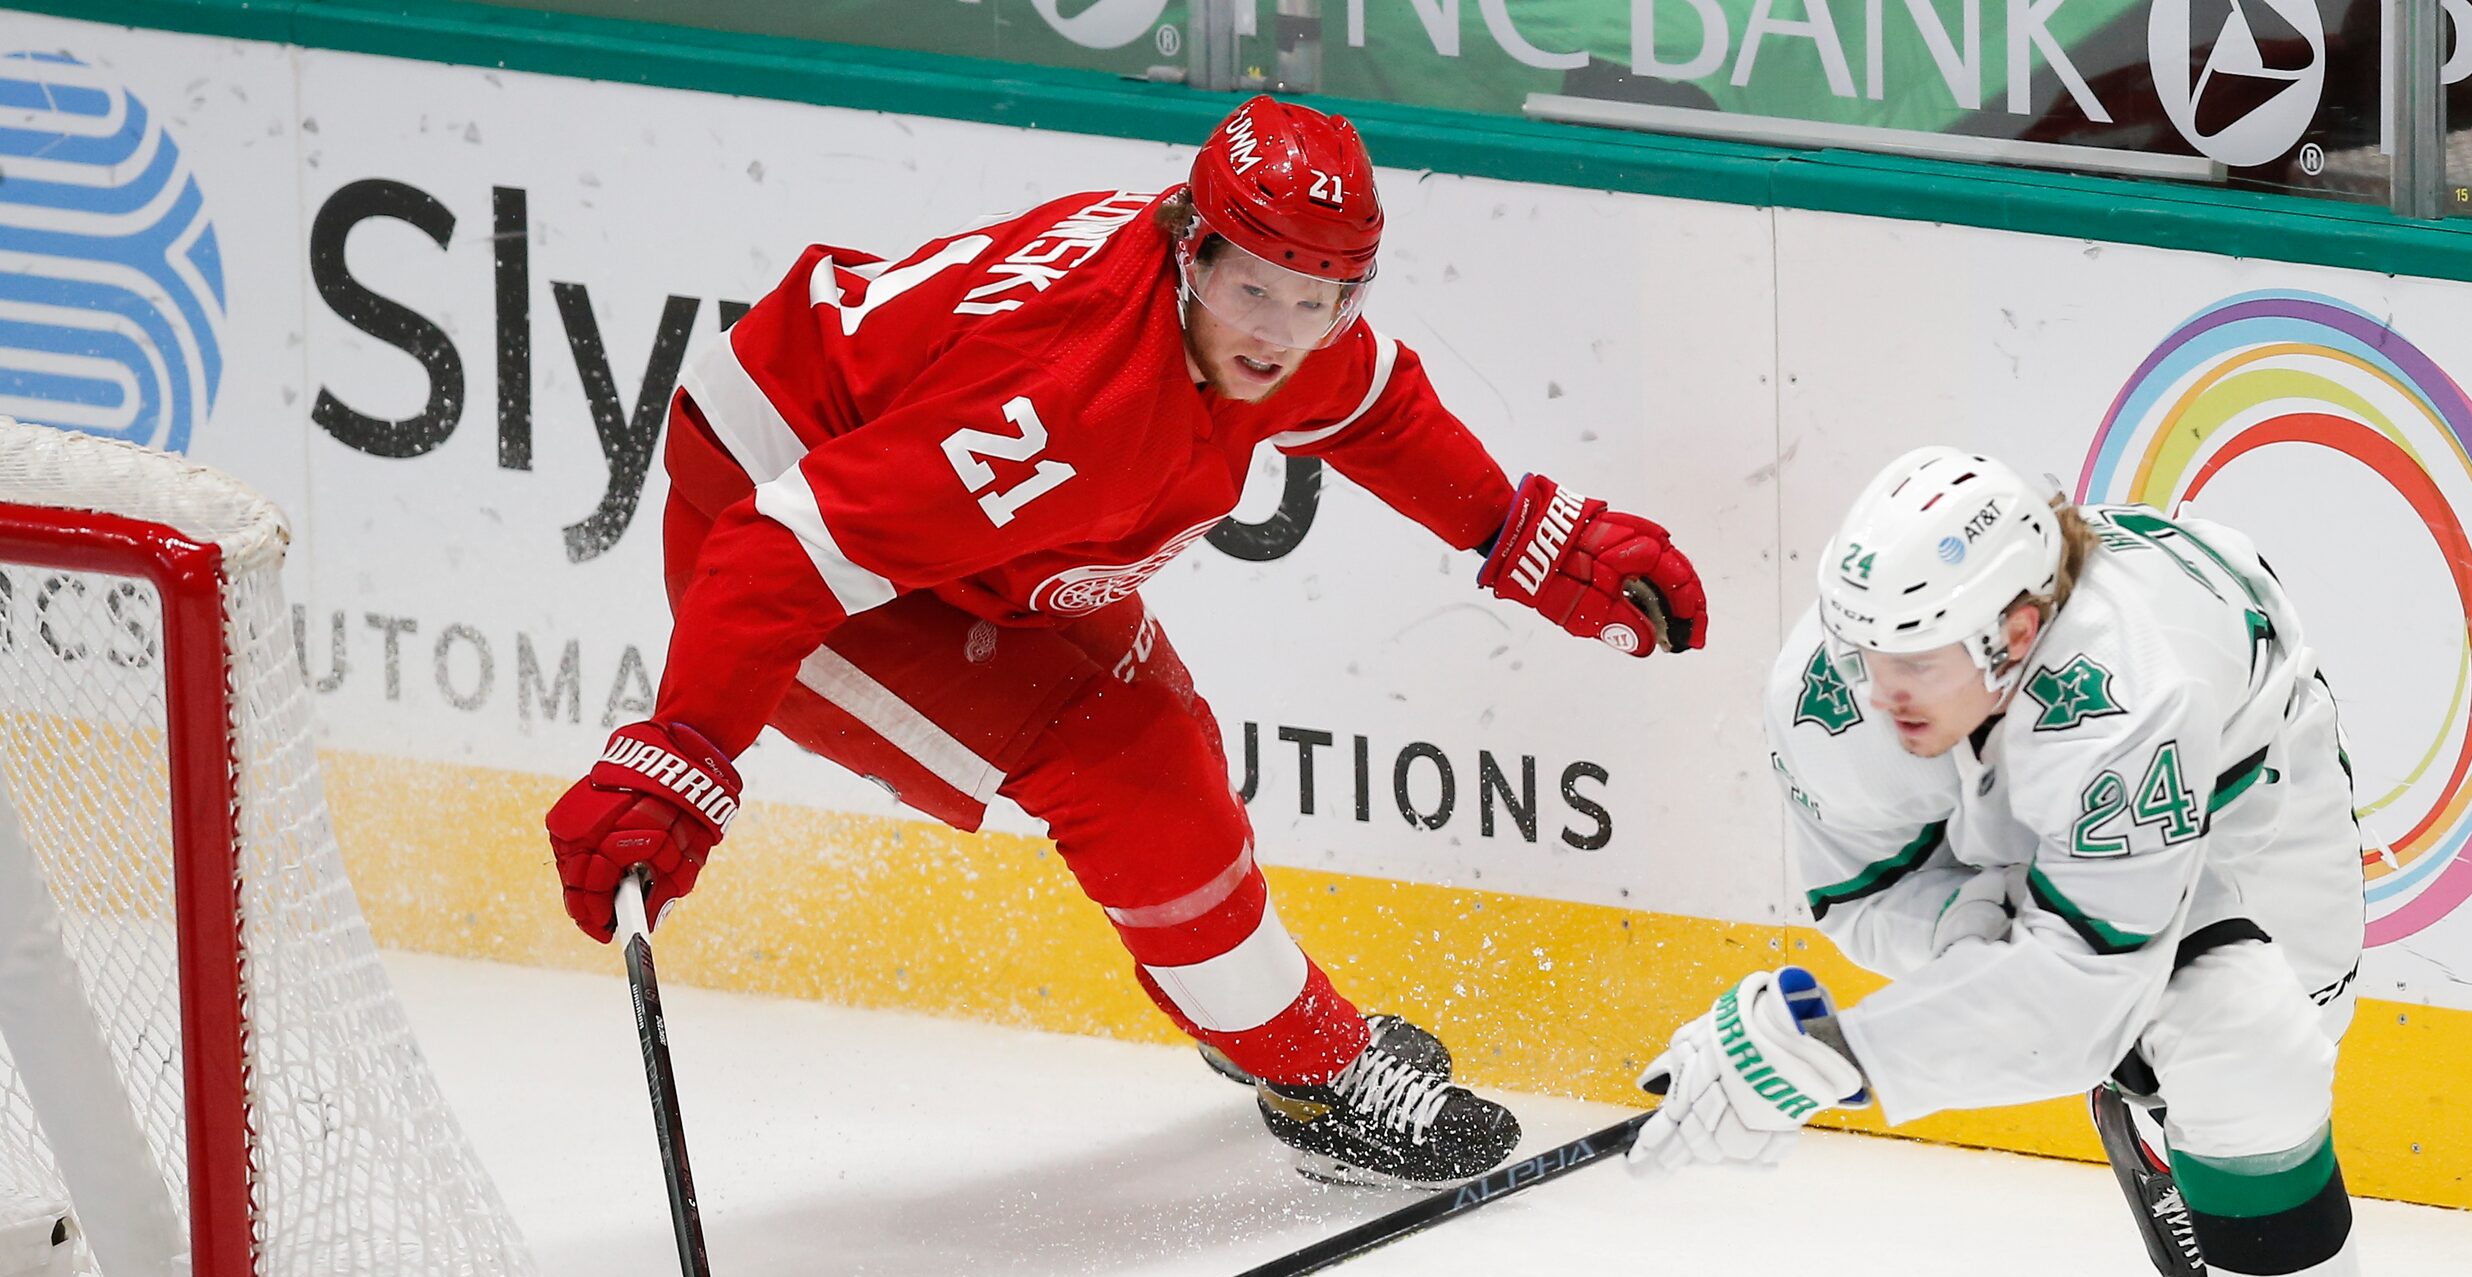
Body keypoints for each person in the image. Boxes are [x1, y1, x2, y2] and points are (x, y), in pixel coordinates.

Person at [543, 98, 1706, 1187]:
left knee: (1160, 729)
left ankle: (1253, 1020)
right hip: (775, 519)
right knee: (1123, 762)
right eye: (1255, 293)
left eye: (1321, 302)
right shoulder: (1065, 402)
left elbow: (1376, 408)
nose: (1281, 335)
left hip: (936, 504)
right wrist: (683, 751)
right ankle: (1310, 1076)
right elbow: (776, 553)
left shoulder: (1269, 301)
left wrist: (1520, 533)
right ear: (1189, 249)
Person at [1630, 446, 2472, 1277]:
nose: (1877, 687)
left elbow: (2084, 996)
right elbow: (1871, 892)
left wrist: (1840, 1053)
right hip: (2052, 800)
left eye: (1913, 657)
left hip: (2245, 777)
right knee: (2236, 1039)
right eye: (1863, 648)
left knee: (2286, 1039)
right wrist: (1969, 949)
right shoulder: (1829, 692)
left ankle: (2162, 1129)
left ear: (2010, 632)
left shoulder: (2134, 684)